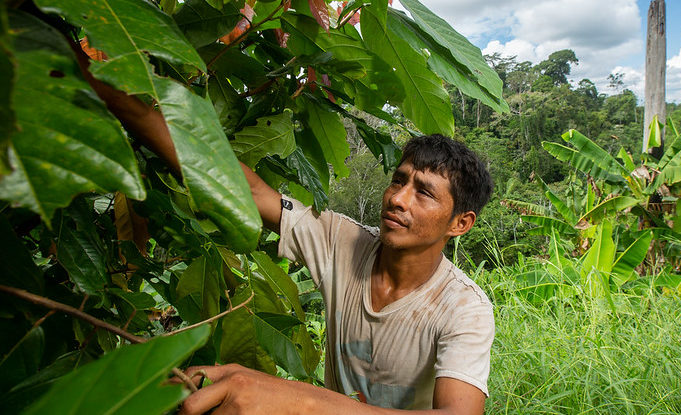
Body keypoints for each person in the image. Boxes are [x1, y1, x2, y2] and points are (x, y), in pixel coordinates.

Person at [76, 44, 495, 415]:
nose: (398, 198)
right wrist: (102, 87)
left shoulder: (464, 309)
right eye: (399, 180)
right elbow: (246, 188)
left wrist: (300, 399)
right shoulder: (341, 240)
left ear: (461, 223)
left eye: (424, 193)